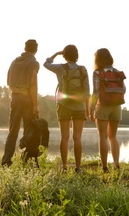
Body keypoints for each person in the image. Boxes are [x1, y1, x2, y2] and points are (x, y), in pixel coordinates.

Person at [43, 45, 90, 173]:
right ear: (77, 55)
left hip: (63, 105)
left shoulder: (60, 68)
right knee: (77, 138)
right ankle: (78, 167)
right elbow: (87, 91)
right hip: (80, 106)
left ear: (65, 55)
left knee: (64, 137)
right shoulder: (83, 69)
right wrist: (87, 109)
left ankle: (64, 167)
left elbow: (45, 64)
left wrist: (56, 54)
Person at [1, 39, 40, 168]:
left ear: (25, 48)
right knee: (29, 130)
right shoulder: (34, 63)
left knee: (13, 130)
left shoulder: (14, 62)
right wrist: (35, 105)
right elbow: (33, 84)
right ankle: (26, 161)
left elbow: (8, 81)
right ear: (36, 49)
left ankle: (6, 161)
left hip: (15, 98)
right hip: (27, 99)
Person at [90, 48, 122, 173]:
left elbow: (96, 92)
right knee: (113, 137)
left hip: (102, 105)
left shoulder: (97, 73)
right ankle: (117, 164)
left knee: (102, 136)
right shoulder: (118, 72)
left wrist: (92, 108)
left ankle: (104, 167)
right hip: (116, 106)